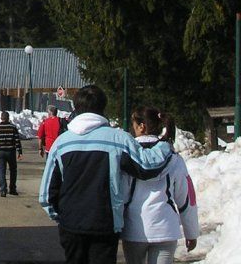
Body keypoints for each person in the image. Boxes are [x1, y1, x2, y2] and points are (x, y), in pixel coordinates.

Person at [39, 85, 175, 264]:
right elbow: (147, 166)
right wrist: (165, 144)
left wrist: (60, 216)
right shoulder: (118, 139)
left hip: (71, 224)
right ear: (103, 107)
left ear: (76, 107)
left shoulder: (61, 143)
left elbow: (46, 194)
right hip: (105, 224)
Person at [120, 106, 199, 264]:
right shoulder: (174, 158)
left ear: (141, 127)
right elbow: (186, 198)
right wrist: (191, 232)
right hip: (166, 229)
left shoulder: (127, 158)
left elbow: (121, 195)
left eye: (134, 125)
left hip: (134, 229)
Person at [0, 110, 22, 196]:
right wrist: (19, 152)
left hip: (0, 152)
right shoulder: (13, 128)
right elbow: (17, 141)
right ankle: (12, 189)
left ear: (1, 118)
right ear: (8, 118)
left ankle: (3, 190)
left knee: (1, 171)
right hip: (11, 152)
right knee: (13, 170)